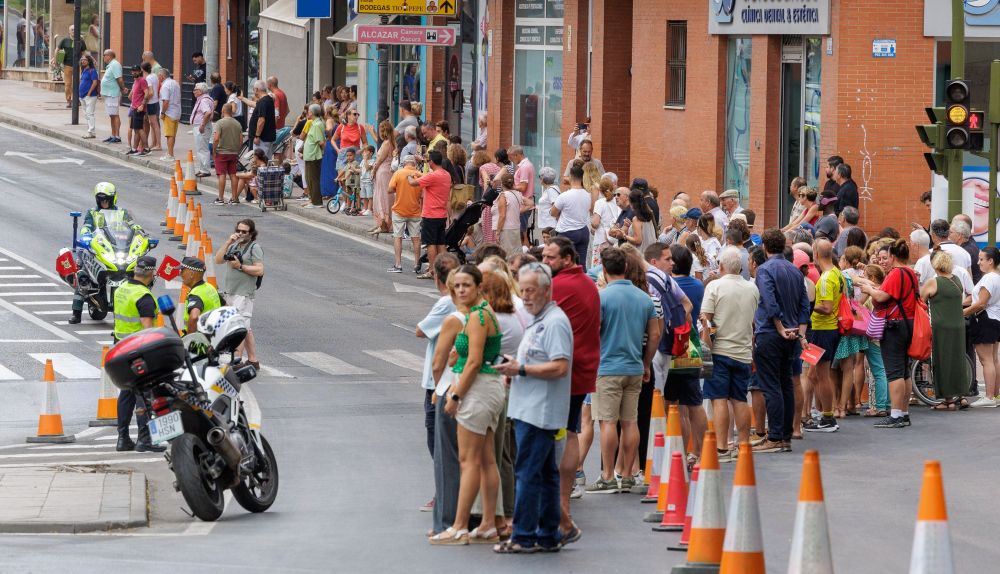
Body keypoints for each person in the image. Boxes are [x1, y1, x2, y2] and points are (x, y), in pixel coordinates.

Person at [493, 262, 573, 554]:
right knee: (545, 473)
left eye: (530, 291)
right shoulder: (540, 318)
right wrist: (516, 373)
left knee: (527, 472)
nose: (525, 296)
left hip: (539, 410)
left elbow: (560, 366)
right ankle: (548, 534)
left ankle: (524, 535)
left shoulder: (554, 322)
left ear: (546, 290)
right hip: (531, 406)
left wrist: (522, 370)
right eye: (522, 290)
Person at [428, 266, 505, 546]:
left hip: (477, 388)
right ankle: (487, 523)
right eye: (457, 286)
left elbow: (473, 362)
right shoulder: (484, 313)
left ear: (478, 286)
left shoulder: (477, 317)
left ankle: (459, 526)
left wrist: (456, 396)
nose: (460, 290)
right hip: (487, 386)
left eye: (466, 285)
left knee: (468, 460)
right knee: (485, 459)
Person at [587, 247, 660, 493]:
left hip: (608, 366)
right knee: (631, 421)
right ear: (627, 268)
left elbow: (594, 331)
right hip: (634, 366)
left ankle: (607, 475)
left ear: (604, 270)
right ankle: (628, 473)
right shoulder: (644, 298)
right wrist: (647, 362)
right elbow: (655, 334)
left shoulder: (602, 297)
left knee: (608, 422)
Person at [542, 238, 599, 538]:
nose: (545, 261)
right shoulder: (588, 282)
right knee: (571, 429)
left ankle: (561, 499)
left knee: (559, 433)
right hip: (582, 371)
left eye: (551, 257)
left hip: (563, 373)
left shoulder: (559, 287)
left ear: (566, 258)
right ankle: (572, 481)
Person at [701, 247, 760, 457]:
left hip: (719, 350)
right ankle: (743, 444)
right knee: (739, 399)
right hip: (743, 350)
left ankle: (722, 446)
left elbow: (706, 319)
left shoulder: (715, 287)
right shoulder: (752, 288)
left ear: (721, 266)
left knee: (719, 399)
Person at [856, 239, 919, 428]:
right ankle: (903, 412)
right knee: (904, 372)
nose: (884, 261)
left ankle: (896, 414)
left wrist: (868, 289)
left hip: (894, 325)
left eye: (886, 257)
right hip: (908, 322)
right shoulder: (910, 273)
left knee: (894, 372)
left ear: (893, 257)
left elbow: (882, 296)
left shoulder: (896, 273)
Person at [417, 253, 461, 513]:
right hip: (451, 380)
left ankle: (444, 492)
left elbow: (420, 330)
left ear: (436, 276)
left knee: (437, 438)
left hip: (440, 383)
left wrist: (435, 389)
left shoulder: (446, 304)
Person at [112, 255, 166, 454]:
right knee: (144, 394)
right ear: (151, 273)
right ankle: (144, 439)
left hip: (119, 348)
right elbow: (147, 331)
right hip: (137, 351)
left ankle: (123, 438)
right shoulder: (144, 296)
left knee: (126, 393)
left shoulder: (121, 289)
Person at [69, 183, 140, 323]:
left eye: (106, 199)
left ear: (113, 198)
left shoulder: (122, 212)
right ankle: (76, 312)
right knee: (83, 276)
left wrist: (140, 233)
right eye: (101, 199)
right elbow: (87, 226)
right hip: (96, 248)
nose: (104, 202)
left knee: (136, 270)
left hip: (117, 248)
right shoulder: (92, 212)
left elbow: (133, 225)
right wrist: (86, 235)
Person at [919, 251, 971, 410]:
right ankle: (961, 396)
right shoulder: (956, 280)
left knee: (941, 361)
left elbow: (921, 300)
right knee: (957, 360)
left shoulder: (933, 282)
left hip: (940, 326)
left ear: (936, 265)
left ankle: (946, 400)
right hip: (958, 325)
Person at [803, 238, 843, 433]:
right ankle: (822, 414)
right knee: (812, 373)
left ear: (816, 255)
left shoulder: (826, 278)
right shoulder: (836, 273)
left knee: (822, 374)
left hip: (823, 329)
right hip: (826, 329)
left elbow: (826, 308)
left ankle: (828, 417)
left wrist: (809, 304)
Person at [214, 219, 264, 369]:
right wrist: (228, 241)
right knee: (245, 327)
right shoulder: (234, 245)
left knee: (238, 327)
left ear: (251, 233)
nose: (241, 234)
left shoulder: (254, 247)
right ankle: (253, 360)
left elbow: (260, 270)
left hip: (243, 293)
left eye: (244, 232)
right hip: (230, 291)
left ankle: (237, 361)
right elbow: (218, 260)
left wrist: (240, 266)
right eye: (239, 230)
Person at [965, 247, 1000, 408]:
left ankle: (989, 396)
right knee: (992, 359)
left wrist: (962, 312)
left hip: (985, 320)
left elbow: (981, 303)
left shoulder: (988, 279)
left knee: (986, 360)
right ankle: (995, 395)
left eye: (981, 259)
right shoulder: (996, 277)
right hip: (995, 319)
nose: (978, 262)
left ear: (990, 261)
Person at [409, 151, 451, 279]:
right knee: (441, 243)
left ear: (431, 162)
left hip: (430, 214)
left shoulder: (433, 176)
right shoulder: (446, 175)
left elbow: (413, 183)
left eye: (428, 161)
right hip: (441, 214)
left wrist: (409, 176)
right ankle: (443, 269)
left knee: (430, 244)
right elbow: (427, 178)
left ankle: (432, 270)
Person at [551, 164, 592, 266]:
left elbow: (553, 213)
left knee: (566, 263)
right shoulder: (588, 195)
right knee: (581, 263)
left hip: (567, 231)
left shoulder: (564, 196)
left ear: (570, 177)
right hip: (583, 230)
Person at [388, 156, 423, 272]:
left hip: (399, 209)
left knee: (398, 237)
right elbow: (423, 194)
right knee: (416, 238)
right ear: (414, 164)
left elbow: (390, 189)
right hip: (415, 210)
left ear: (404, 163)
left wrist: (399, 189)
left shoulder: (398, 173)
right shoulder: (420, 174)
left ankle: (398, 264)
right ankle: (417, 265)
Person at [180, 257, 221, 334]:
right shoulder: (210, 287)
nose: (180, 274)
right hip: (213, 337)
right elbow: (225, 305)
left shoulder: (196, 294)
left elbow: (194, 317)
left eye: (182, 270)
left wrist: (190, 340)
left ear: (192, 274)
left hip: (201, 341)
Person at [212, 103, 243, 205]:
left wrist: (214, 150)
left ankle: (220, 198)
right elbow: (241, 140)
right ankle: (234, 198)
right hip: (233, 152)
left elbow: (216, 139)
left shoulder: (220, 123)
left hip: (221, 152)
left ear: (223, 111)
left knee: (222, 174)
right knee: (233, 175)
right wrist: (237, 150)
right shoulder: (237, 123)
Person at [372, 120, 397, 235]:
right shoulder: (393, 142)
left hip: (382, 171)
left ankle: (383, 222)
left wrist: (373, 170)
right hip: (389, 171)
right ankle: (385, 222)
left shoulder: (386, 143)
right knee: (388, 197)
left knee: (382, 197)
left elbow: (379, 159)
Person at [509, 146, 536, 246]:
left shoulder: (525, 167)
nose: (510, 160)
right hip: (523, 204)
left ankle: (524, 256)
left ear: (517, 155)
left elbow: (523, 187)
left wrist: (510, 186)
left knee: (522, 234)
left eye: (511, 157)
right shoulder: (526, 165)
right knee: (523, 233)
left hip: (523, 205)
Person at [301, 104, 326, 209]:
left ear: (311, 113)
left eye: (308, 112)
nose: (307, 113)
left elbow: (321, 142)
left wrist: (320, 152)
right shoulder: (314, 123)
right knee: (309, 178)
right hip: (310, 156)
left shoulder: (317, 125)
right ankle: (312, 199)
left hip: (314, 156)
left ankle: (316, 202)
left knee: (313, 179)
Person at [100, 50, 127, 144]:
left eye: (104, 55)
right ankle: (113, 135)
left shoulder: (115, 64)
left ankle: (117, 136)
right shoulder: (111, 65)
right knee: (111, 115)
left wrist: (123, 88)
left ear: (109, 56)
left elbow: (119, 79)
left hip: (113, 94)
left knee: (115, 115)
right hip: (109, 94)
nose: (103, 57)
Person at [245, 80, 277, 159]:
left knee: (259, 161)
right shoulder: (268, 99)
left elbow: (261, 120)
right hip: (268, 137)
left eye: (253, 89)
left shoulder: (263, 102)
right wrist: (242, 98)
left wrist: (257, 136)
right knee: (266, 161)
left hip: (262, 139)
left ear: (256, 89)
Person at [190, 82, 214, 176]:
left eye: (195, 90)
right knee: (201, 147)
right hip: (201, 126)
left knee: (202, 148)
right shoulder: (204, 99)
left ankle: (205, 170)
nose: (193, 91)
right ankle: (202, 168)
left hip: (201, 127)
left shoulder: (204, 100)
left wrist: (202, 125)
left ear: (200, 91)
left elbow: (207, 113)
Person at [623, 189, 658, 254]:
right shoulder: (648, 215)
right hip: (650, 252)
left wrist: (624, 235)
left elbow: (638, 240)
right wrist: (631, 225)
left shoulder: (636, 219)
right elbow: (643, 230)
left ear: (631, 203)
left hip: (639, 254)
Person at [157, 69, 182, 161]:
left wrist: (163, 113)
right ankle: (170, 153)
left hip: (169, 112)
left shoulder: (165, 86)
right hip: (176, 111)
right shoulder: (175, 83)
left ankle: (170, 154)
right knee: (173, 134)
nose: (158, 78)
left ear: (162, 76)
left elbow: (165, 101)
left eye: (158, 76)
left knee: (169, 135)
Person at [126, 65, 150, 156]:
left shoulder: (142, 80)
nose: (134, 72)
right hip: (134, 108)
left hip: (139, 109)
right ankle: (134, 149)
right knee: (136, 130)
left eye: (136, 71)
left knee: (139, 129)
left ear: (140, 71)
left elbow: (147, 93)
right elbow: (131, 95)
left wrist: (142, 105)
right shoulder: (136, 81)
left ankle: (146, 148)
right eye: (133, 71)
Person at [57, 26, 79, 108]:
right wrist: (56, 60)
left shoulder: (80, 40)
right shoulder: (65, 40)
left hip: (78, 66)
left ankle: (77, 99)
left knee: (78, 83)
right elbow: (57, 49)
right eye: (72, 30)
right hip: (67, 65)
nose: (73, 31)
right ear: (69, 31)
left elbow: (84, 52)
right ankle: (69, 100)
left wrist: (91, 60)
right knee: (68, 84)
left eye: (74, 29)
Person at [78, 54, 99, 139]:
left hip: (90, 96)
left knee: (90, 113)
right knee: (86, 114)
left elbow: (95, 82)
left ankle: (90, 132)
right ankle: (91, 132)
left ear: (88, 61)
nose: (83, 61)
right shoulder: (83, 70)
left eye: (85, 60)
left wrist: (89, 93)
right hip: (82, 96)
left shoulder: (92, 71)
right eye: (82, 59)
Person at [143, 62, 162, 153]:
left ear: (143, 70)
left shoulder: (148, 78)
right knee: (154, 124)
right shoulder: (154, 75)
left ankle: (158, 144)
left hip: (151, 103)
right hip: (156, 101)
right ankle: (155, 143)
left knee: (154, 124)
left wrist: (145, 101)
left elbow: (150, 92)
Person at [535, 167, 560, 235]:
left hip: (551, 225)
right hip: (549, 225)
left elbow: (556, 207)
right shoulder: (549, 190)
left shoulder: (551, 190)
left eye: (540, 177)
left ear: (542, 178)